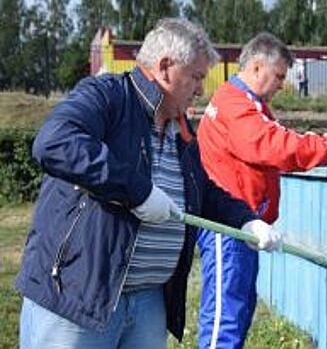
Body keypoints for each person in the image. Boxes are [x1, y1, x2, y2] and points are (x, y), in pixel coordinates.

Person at [15, 18, 281, 349]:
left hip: (148, 303)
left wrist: (247, 220)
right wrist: (137, 192)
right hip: (77, 296)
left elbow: (203, 191)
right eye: (196, 77)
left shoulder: (179, 129)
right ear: (166, 67)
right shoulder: (107, 95)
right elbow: (54, 142)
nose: (201, 89)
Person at [196, 32, 327, 348]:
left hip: (243, 225)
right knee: (225, 319)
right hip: (230, 227)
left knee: (237, 312)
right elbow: (273, 146)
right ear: (255, 67)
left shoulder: (247, 104)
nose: (282, 84)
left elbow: (278, 138)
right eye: (278, 76)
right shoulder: (236, 104)